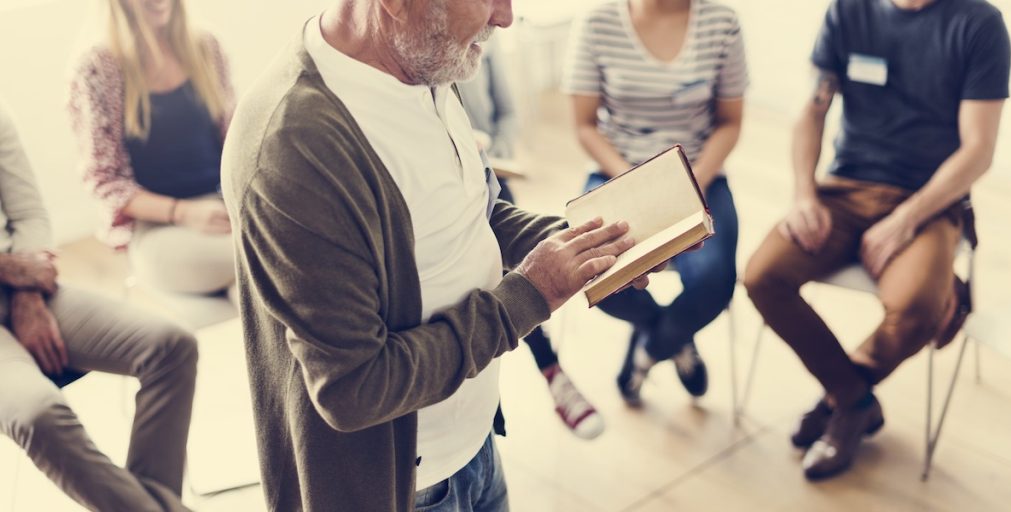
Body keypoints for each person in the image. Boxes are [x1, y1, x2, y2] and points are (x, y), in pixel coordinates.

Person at [221, 0, 683, 509]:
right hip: (406, 488)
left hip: (476, 444)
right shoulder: (295, 149)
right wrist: (532, 294)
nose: (505, 17)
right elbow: (354, 388)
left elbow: (476, 213)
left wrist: (591, 247)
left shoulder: (426, 63)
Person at [743, 0, 1010, 480]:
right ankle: (852, 400)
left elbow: (979, 149)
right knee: (763, 276)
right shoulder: (848, 11)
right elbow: (811, 109)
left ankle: (841, 402)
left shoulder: (979, 23)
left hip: (930, 203)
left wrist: (907, 217)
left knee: (915, 309)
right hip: (844, 189)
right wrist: (804, 194)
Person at [0, 102, 198, 511]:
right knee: (39, 413)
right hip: (13, 271)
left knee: (171, 347)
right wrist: (10, 269)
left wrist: (27, 294)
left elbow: (29, 214)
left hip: (20, 284)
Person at [563, 0, 747, 406]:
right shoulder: (597, 23)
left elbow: (730, 122)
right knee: (600, 277)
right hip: (618, 173)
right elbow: (584, 125)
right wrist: (637, 183)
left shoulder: (722, 22)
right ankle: (672, 338)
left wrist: (688, 182)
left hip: (701, 175)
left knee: (715, 279)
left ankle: (648, 351)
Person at [459, 39, 604, 439]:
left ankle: (551, 372)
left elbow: (507, 116)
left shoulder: (484, 45)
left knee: (514, 275)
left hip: (491, 180)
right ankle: (551, 372)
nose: (503, 17)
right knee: (501, 287)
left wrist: (489, 151)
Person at [68, 0, 236, 296]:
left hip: (225, 206)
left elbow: (236, 140)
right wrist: (184, 212)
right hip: (158, 227)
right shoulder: (97, 68)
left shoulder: (207, 47)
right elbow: (104, 180)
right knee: (262, 255)